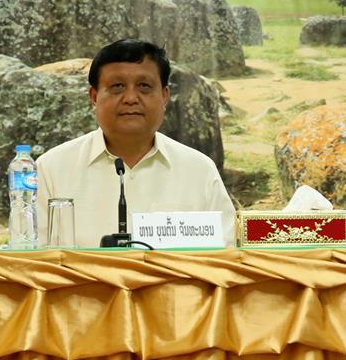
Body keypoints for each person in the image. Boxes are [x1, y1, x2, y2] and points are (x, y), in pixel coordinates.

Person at [36, 39, 236, 247]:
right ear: (94, 97)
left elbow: (226, 255)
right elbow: (32, 255)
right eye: (117, 86)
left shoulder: (199, 171)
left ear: (164, 96)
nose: (130, 98)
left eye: (144, 86)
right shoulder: (52, 169)